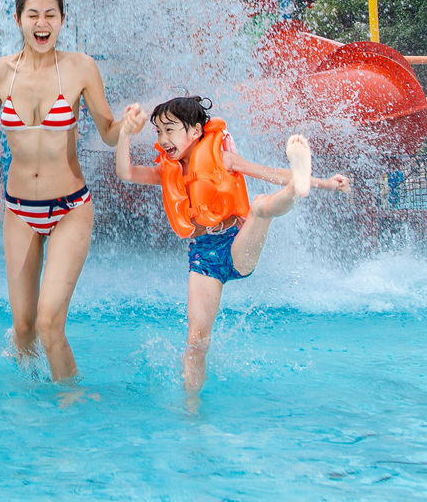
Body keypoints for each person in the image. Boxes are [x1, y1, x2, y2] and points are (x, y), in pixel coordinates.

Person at [0, 0, 123, 382]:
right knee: (23, 328)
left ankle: (69, 403)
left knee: (48, 324)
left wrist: (128, 126)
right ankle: (29, 407)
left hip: (69, 207)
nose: (42, 24)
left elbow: (108, 131)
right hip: (20, 209)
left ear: (62, 20)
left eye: (50, 16)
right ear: (18, 19)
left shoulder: (80, 68)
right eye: (33, 15)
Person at [113, 96, 349, 397]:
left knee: (262, 206)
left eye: (170, 130)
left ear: (196, 131)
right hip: (203, 256)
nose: (163, 139)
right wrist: (123, 135)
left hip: (236, 243)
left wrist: (325, 183)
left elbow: (267, 173)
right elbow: (126, 173)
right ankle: (191, 407)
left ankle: (296, 189)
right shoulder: (167, 170)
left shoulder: (221, 156)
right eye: (158, 132)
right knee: (197, 340)